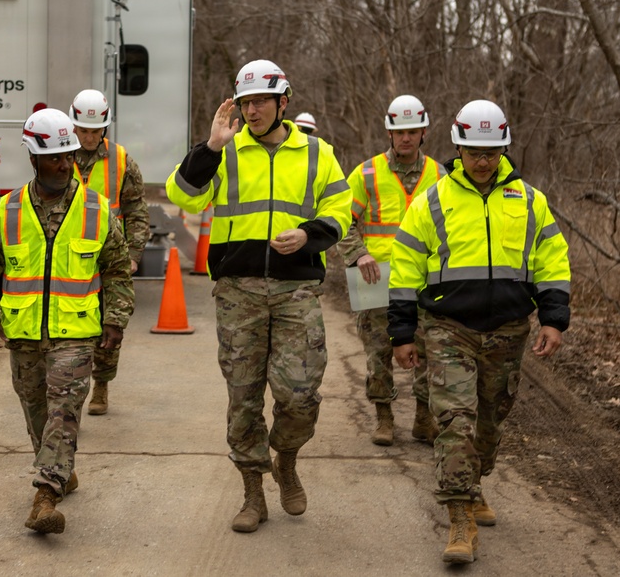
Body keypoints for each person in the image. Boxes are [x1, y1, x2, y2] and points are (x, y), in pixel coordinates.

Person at [166, 59, 353, 533]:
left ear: (282, 102)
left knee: (301, 394)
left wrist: (309, 235)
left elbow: (341, 209)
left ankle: (286, 457)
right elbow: (182, 195)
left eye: (260, 102)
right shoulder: (224, 150)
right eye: (245, 102)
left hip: (296, 291)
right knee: (243, 396)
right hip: (238, 292)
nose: (251, 111)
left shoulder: (317, 152)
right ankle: (253, 493)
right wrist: (209, 147)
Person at [388, 99, 570, 564]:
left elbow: (551, 259)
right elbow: (405, 266)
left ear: (504, 148)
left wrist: (553, 317)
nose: (483, 161)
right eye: (474, 152)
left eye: (491, 152)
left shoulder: (529, 200)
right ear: (458, 147)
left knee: (489, 422)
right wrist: (403, 332)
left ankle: (475, 483)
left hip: (508, 331)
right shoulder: (433, 200)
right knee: (454, 423)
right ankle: (459, 521)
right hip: (448, 329)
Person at [0, 108, 134, 535]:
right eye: (56, 157)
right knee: (37, 414)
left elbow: (115, 269)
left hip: (76, 336)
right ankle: (62, 471)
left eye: (70, 156)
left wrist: (115, 319)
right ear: (34, 159)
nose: (65, 165)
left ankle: (45, 497)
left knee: (63, 412)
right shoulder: (7, 210)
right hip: (23, 336)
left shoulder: (96, 209)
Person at [337, 94, 445, 446]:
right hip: (374, 277)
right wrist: (358, 255)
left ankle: (423, 417)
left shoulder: (440, 175)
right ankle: (383, 417)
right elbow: (341, 220)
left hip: (426, 279)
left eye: (413, 131)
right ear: (389, 132)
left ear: (424, 131)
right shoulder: (366, 173)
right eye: (399, 131)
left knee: (429, 349)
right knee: (377, 351)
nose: (406, 138)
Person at [68, 88, 150, 416]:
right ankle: (68, 387)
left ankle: (101, 385)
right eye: (83, 130)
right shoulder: (58, 157)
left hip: (109, 258)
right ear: (74, 127)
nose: (88, 137)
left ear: (105, 128)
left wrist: (133, 254)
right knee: (71, 328)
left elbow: (136, 210)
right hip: (69, 259)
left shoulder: (121, 160)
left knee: (110, 325)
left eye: (94, 131)